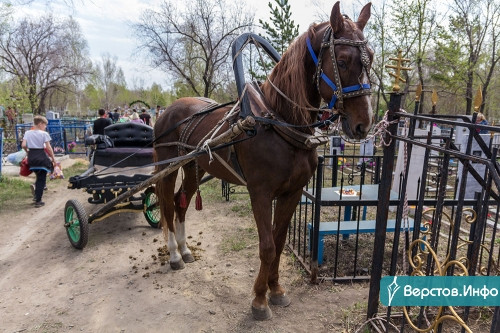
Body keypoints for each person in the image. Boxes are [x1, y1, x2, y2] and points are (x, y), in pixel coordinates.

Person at [21, 115, 56, 208]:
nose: (45, 127)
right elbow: (48, 147)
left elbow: (23, 144)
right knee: (41, 179)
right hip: (41, 156)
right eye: (45, 125)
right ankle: (38, 200)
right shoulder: (44, 134)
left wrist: (27, 151)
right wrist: (53, 158)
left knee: (39, 176)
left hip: (31, 157)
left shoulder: (28, 133)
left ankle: (36, 193)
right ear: (40, 124)